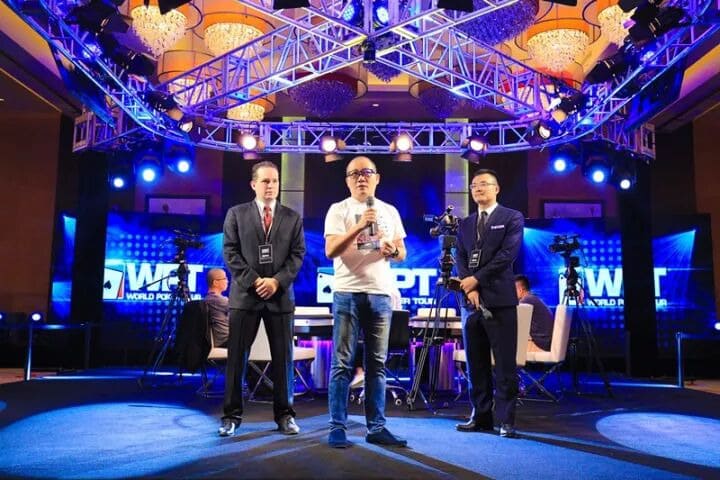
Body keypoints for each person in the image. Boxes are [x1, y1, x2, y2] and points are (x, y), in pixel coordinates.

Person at [324, 156, 408, 448]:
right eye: (355, 173)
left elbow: (402, 253)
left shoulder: (390, 210)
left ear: (377, 178)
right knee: (342, 363)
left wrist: (391, 250)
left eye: (367, 172)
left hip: (380, 293)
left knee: (377, 365)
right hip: (347, 292)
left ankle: (377, 427)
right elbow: (331, 249)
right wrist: (359, 225)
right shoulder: (339, 209)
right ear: (347, 180)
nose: (361, 177)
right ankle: (337, 427)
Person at [219, 161, 306, 437]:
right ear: (253, 184)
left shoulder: (292, 217)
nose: (271, 186)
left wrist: (276, 281)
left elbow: (297, 255)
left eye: (275, 181)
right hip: (245, 296)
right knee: (237, 360)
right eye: (265, 181)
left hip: (280, 298)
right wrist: (255, 281)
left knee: (283, 359)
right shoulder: (236, 214)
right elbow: (230, 252)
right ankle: (231, 417)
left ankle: (285, 416)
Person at [454, 168, 524, 438]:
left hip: (500, 301)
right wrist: (467, 285)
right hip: (470, 303)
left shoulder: (511, 217)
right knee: (476, 363)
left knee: (505, 364)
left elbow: (507, 255)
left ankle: (506, 420)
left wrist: (476, 280)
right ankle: (481, 415)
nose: (478, 189)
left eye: (484, 184)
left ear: (496, 189)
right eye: (474, 185)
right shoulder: (465, 223)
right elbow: (461, 257)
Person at [514, 274, 555, 352]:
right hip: (547, 341)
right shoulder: (533, 298)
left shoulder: (526, 300)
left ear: (520, 290)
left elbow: (514, 320)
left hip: (541, 343)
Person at [204, 268, 229, 348]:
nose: (227, 281)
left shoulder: (207, 299)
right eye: (224, 278)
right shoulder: (219, 300)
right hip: (225, 340)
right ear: (215, 282)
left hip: (221, 340)